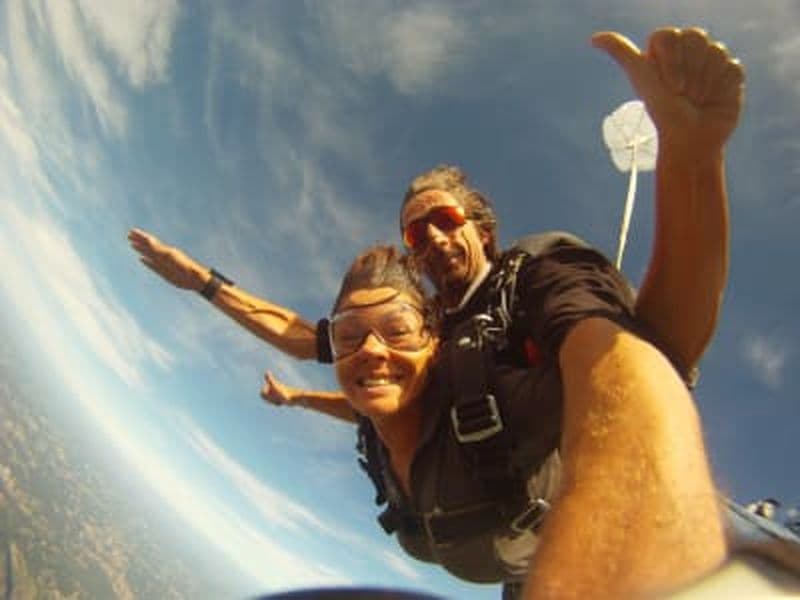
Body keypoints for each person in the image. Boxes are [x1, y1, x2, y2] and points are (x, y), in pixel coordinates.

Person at [275, 241, 725, 599]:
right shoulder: (378, 417)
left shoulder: (491, 403)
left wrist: (690, 159)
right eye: (347, 336)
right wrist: (295, 396)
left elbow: (652, 351)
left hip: (550, 569)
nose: (371, 351)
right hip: (506, 573)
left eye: (397, 330)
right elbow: (352, 409)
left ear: (434, 343)